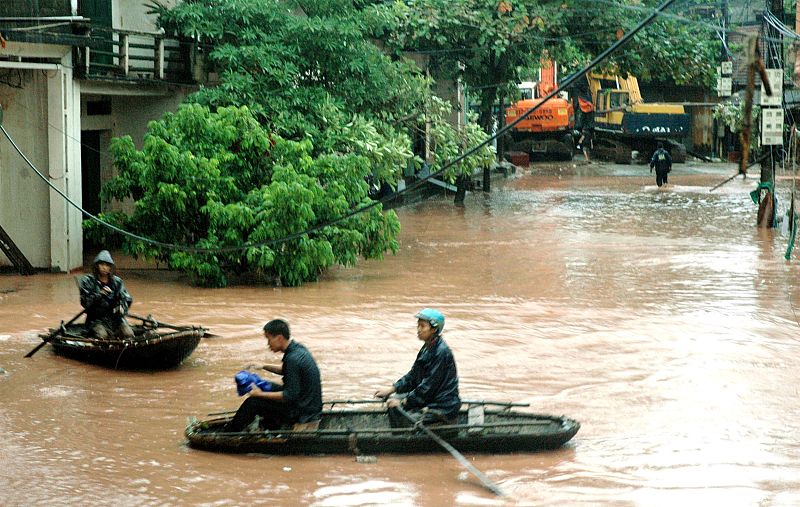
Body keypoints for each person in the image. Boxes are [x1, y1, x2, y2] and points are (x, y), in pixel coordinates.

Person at [226, 319, 322, 432]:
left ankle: (230, 432)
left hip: (302, 413)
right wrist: (263, 366)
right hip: (308, 405)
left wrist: (259, 394)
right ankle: (270, 424)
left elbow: (289, 396)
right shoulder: (298, 349)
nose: (268, 344)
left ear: (279, 338)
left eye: (269, 339)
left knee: (253, 402)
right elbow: (286, 370)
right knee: (267, 385)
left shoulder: (292, 359)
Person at [374, 308, 461, 428]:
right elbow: (414, 375)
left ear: (434, 329)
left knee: (398, 409)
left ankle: (405, 438)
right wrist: (392, 388)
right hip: (431, 399)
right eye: (418, 325)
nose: (418, 329)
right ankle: (401, 434)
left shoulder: (441, 352)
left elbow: (428, 386)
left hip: (443, 406)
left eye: (422, 326)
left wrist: (404, 402)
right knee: (394, 400)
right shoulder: (427, 347)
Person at [78, 250, 134, 340]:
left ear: (110, 267)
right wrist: (100, 294)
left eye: (107, 265)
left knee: (129, 334)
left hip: (115, 319)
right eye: (102, 264)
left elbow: (126, 298)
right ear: (97, 265)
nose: (104, 268)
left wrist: (122, 307)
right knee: (102, 336)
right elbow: (85, 303)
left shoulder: (117, 282)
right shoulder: (88, 281)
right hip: (96, 320)